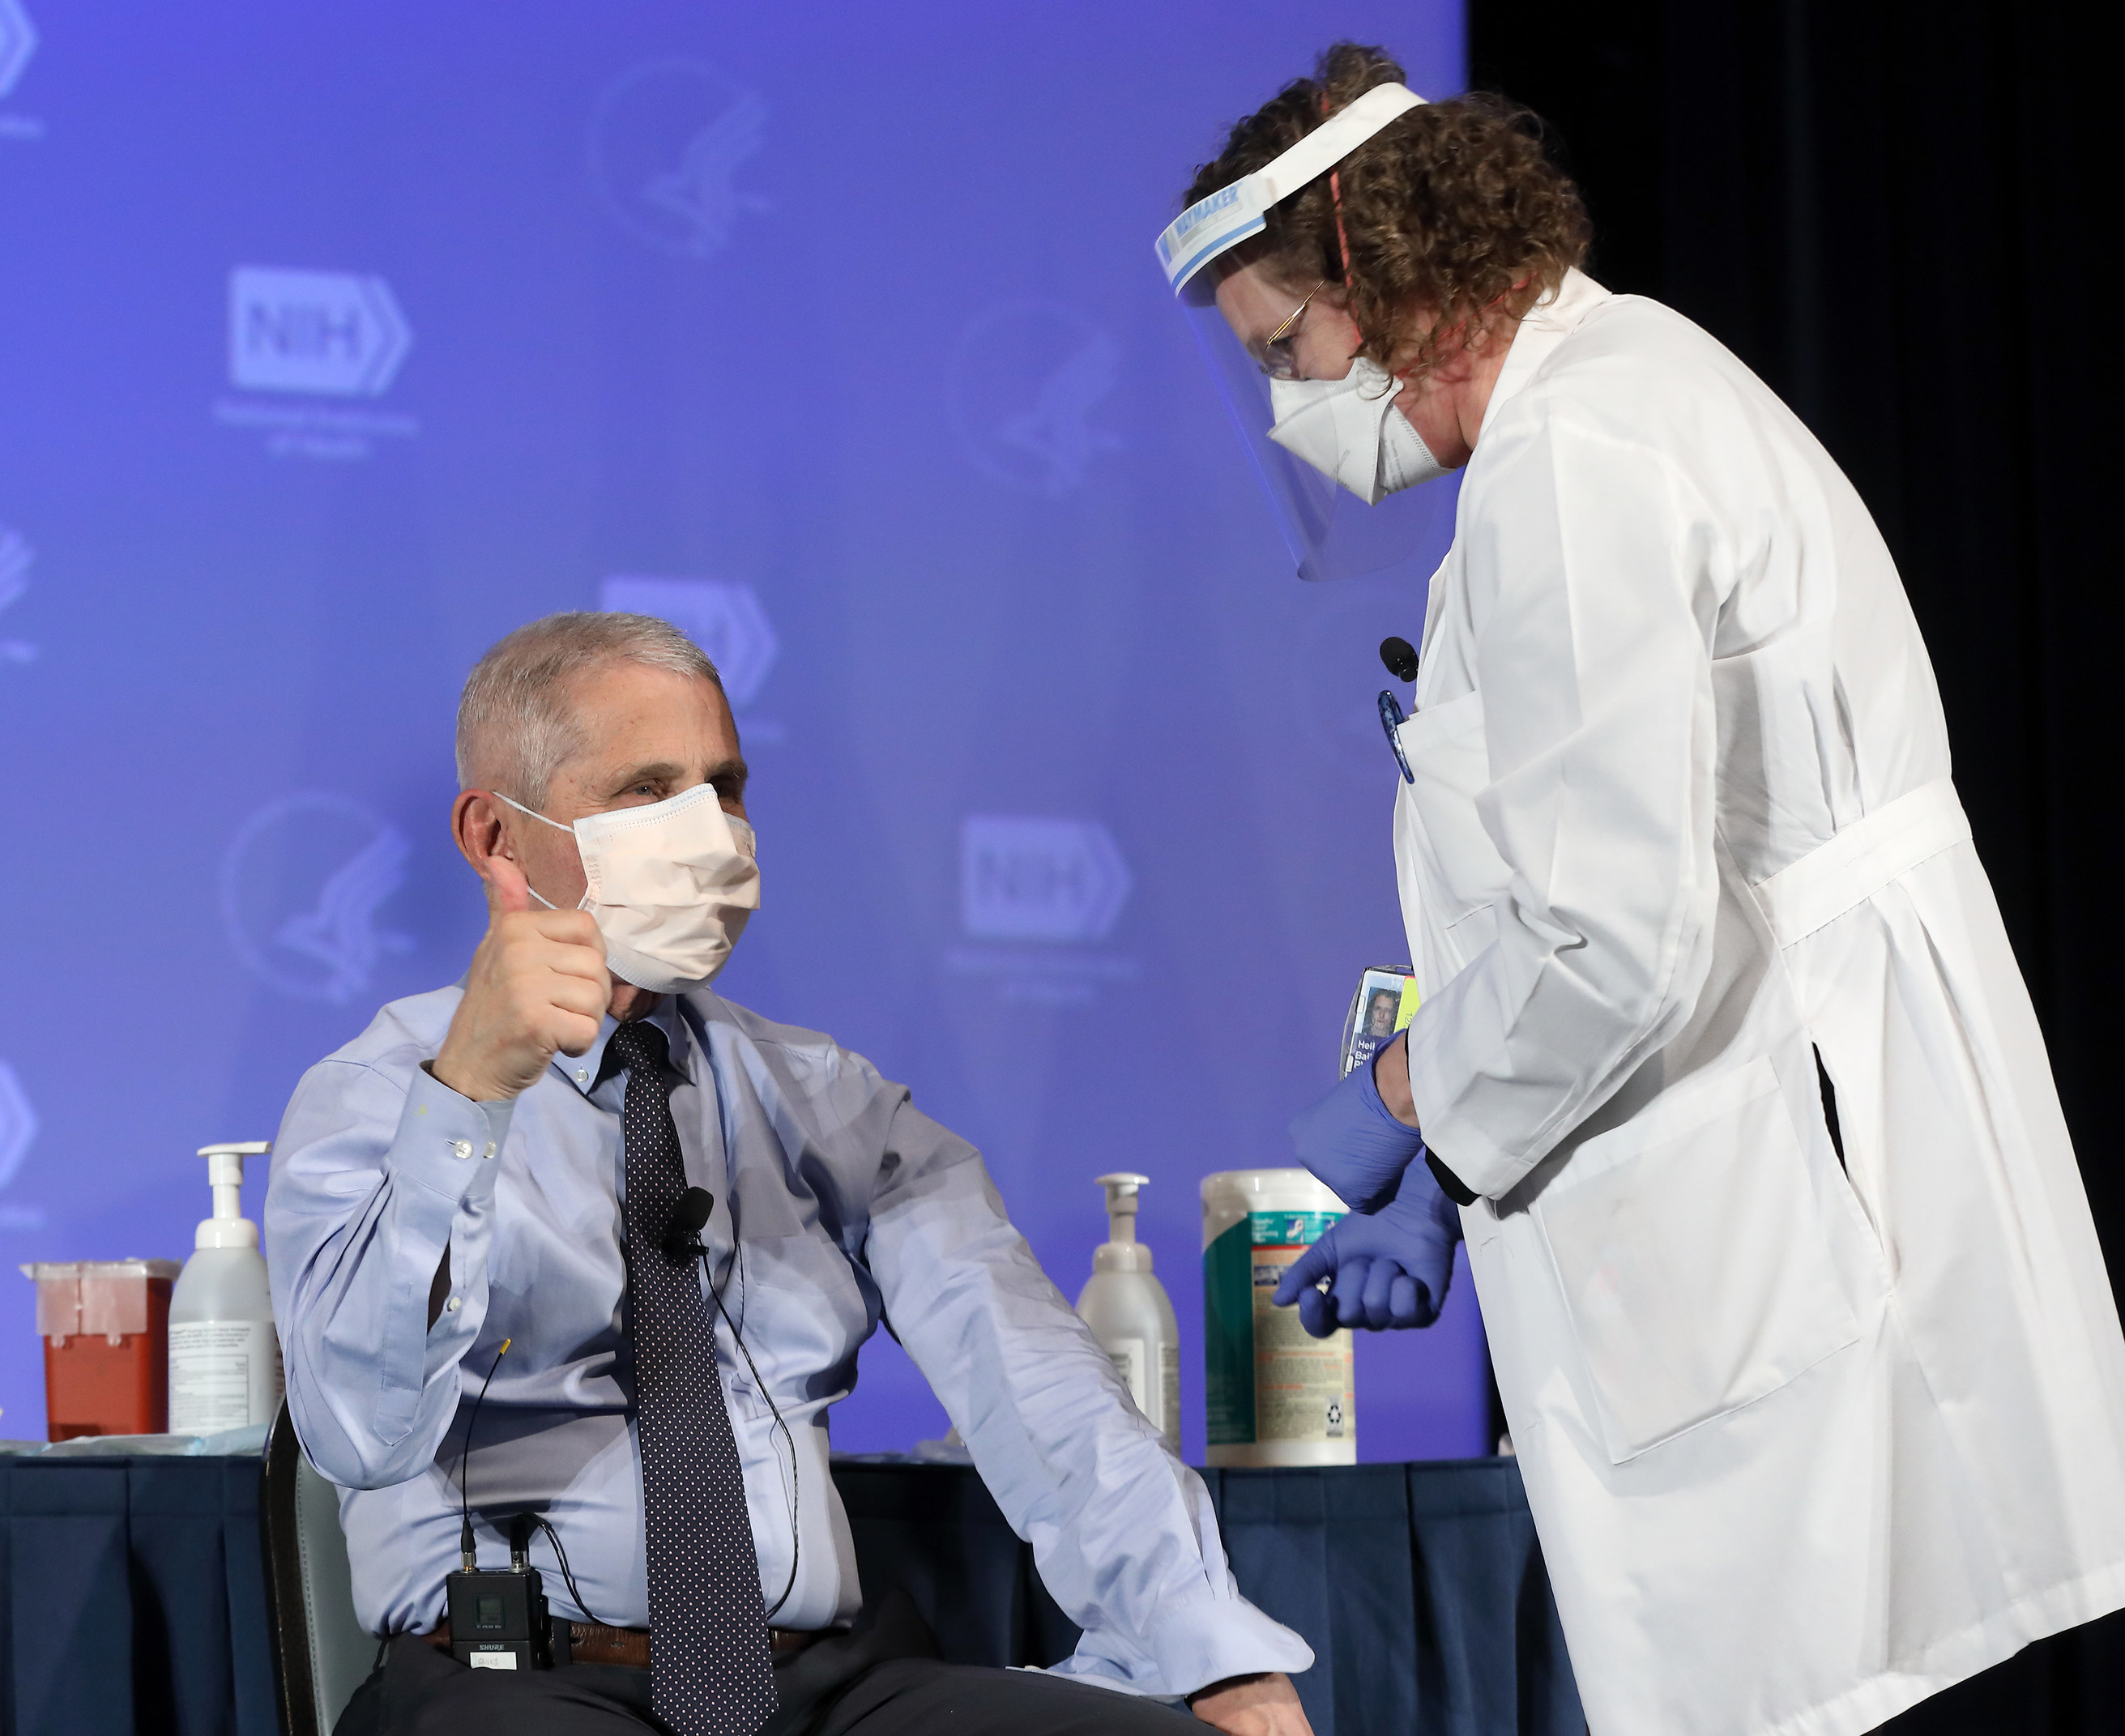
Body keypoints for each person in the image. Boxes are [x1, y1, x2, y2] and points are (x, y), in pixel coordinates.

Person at [1158, 41, 2125, 1736]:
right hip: (1743, 1152)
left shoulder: (1576, 458)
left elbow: (1614, 939)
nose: (1288, 407)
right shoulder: (1621, 390)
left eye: (1286, 350)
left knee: (1832, 1676)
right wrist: (1456, 1177)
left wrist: (1403, 1106)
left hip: (1782, 1191)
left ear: (1376, 276)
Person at [266, 612, 1315, 1736]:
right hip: (517, 1687)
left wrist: (1208, 1652)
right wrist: (466, 1096)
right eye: (650, 791)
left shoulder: (828, 1100)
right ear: (495, 835)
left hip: (828, 1688)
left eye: (726, 786)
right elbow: (357, 1431)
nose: (711, 833)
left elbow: (1040, 1390)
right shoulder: (379, 1096)